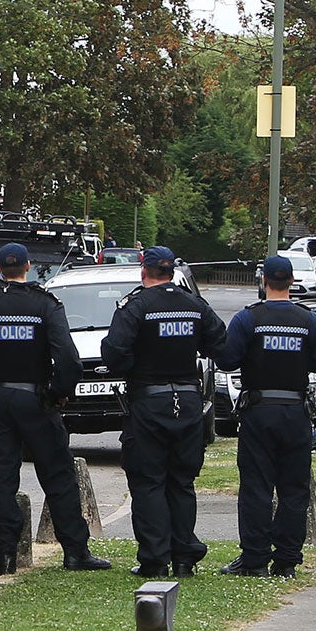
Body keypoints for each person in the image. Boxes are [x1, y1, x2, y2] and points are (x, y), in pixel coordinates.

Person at [0, 241, 112, 574]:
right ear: (28, 267)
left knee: (3, 478)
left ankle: (4, 554)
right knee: (58, 476)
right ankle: (75, 551)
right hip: (36, 400)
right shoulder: (45, 304)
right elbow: (67, 356)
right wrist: (59, 392)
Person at [213, 256, 316, 577]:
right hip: (296, 413)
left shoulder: (249, 319)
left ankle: (255, 559)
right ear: (290, 282)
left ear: (264, 282)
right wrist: (301, 359)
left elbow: (228, 360)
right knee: (293, 488)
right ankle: (287, 560)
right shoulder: (308, 320)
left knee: (256, 487)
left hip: (259, 411)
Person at [101, 246, 228, 578]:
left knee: (148, 482)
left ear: (144, 271)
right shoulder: (194, 304)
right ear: (172, 272)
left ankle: (155, 559)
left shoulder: (136, 306)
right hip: (187, 401)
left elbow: (113, 353)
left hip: (149, 401)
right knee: (182, 481)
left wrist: (136, 366)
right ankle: (184, 556)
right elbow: (221, 345)